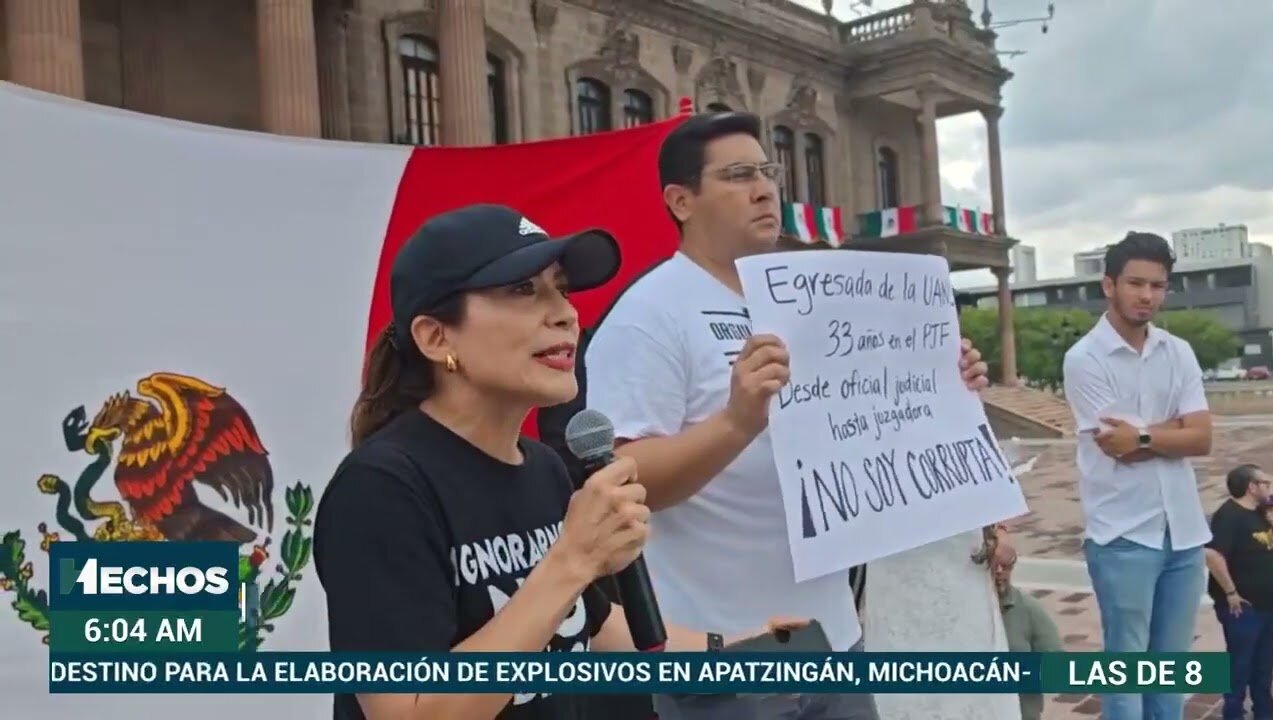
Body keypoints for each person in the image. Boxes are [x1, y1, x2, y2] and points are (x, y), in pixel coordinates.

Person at [313, 204, 805, 720]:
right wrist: (572, 561)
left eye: (562, 288)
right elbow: (408, 711)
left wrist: (732, 654)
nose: (565, 313)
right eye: (523, 290)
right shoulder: (382, 490)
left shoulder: (544, 467)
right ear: (437, 337)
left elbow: (590, 624)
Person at [583, 112, 991, 720]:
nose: (765, 188)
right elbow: (621, 478)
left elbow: (870, 428)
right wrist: (735, 422)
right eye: (739, 174)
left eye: (768, 171)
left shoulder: (806, 300)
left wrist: (942, 389)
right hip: (722, 650)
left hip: (833, 634)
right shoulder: (650, 313)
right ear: (681, 200)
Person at [1062, 231, 1214, 720]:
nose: (1147, 296)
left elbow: (1203, 438)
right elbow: (1117, 449)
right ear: (1109, 285)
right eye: (1136, 284)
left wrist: (1146, 436)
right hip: (1124, 535)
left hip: (1185, 533)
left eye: (1157, 285)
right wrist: (1174, 431)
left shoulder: (1178, 351)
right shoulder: (1085, 359)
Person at [1205, 464, 1273, 720]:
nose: (1270, 488)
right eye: (1265, 483)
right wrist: (1231, 592)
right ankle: (1234, 713)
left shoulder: (1264, 512)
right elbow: (1212, 554)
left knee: (1264, 664)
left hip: (1270, 605)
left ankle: (1264, 712)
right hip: (1243, 609)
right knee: (1239, 666)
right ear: (1251, 487)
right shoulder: (1229, 515)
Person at [992, 543, 1062, 720]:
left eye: (1006, 566)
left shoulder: (1028, 609)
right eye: (993, 565)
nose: (999, 572)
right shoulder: (966, 610)